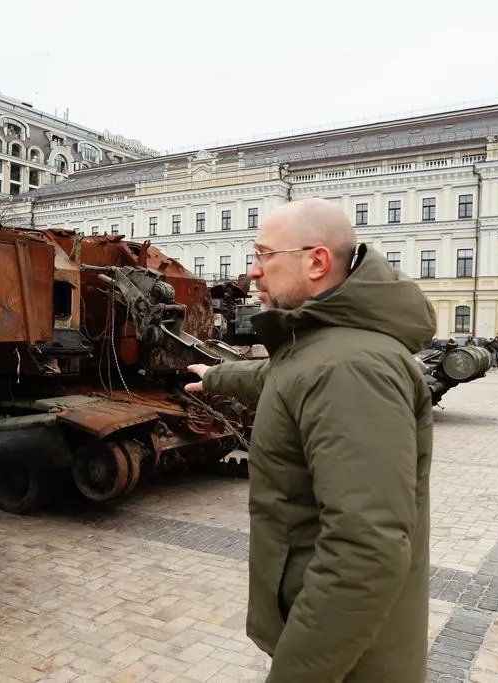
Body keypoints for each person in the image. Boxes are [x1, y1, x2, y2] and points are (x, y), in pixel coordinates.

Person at [185, 198, 435, 682]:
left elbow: (365, 549)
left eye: (263, 255)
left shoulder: (351, 369)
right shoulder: (326, 345)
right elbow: (287, 376)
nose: (253, 271)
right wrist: (217, 377)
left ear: (316, 261)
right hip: (337, 641)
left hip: (350, 659)